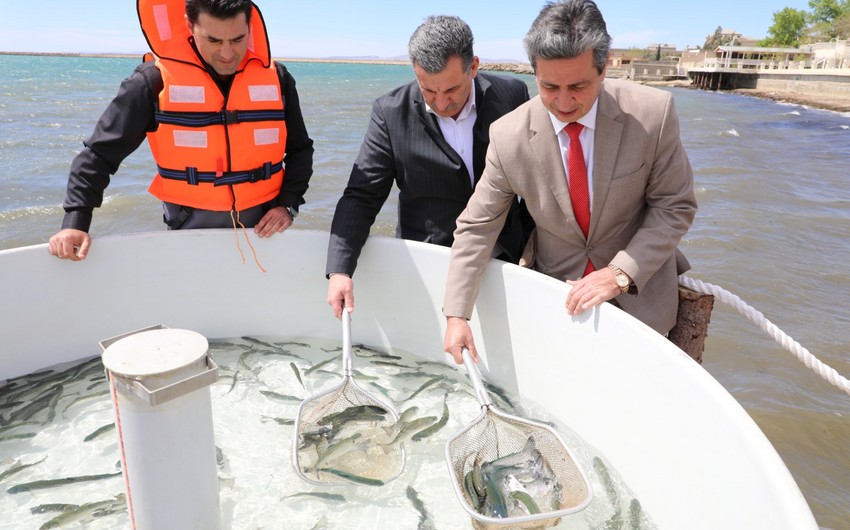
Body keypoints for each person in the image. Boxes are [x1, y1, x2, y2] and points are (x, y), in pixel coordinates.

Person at [443, 0, 698, 363]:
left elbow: (674, 206)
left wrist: (619, 274)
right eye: (549, 87)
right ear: (534, 72)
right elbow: (477, 227)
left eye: (578, 85)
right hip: (554, 299)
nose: (563, 102)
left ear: (604, 68)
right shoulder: (507, 135)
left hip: (641, 303)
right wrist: (457, 314)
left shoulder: (653, 114)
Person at [48, 0, 313, 261]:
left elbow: (300, 149)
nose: (227, 53)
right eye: (213, 40)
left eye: (237, 39)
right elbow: (99, 155)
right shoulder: (151, 81)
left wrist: (287, 205)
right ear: (190, 25)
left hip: (265, 233)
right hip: (188, 233)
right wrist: (75, 222)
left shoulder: (278, 78)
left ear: (250, 27)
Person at [325, 15, 532, 319]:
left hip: (506, 257)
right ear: (415, 71)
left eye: (452, 90)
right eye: (429, 91)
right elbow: (362, 195)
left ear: (473, 67)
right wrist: (340, 270)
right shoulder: (389, 113)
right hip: (432, 263)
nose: (442, 103)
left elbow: (535, 180)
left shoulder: (512, 95)